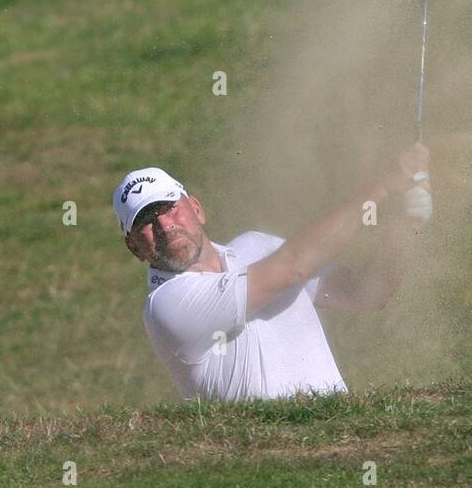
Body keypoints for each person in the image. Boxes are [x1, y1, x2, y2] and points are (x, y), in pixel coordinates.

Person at [112, 144, 431, 402]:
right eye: (145, 224)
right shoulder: (167, 305)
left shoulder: (257, 247)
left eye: (169, 208)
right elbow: (294, 267)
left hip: (342, 441)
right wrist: (384, 187)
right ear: (135, 249)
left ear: (196, 208)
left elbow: (367, 292)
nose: (165, 227)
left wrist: (407, 224)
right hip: (272, 463)